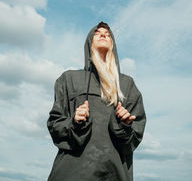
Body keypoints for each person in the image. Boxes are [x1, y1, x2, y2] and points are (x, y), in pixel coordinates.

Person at [47, 22, 146, 181]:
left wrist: (125, 124)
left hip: (114, 173)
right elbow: (55, 125)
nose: (103, 34)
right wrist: (75, 121)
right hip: (72, 172)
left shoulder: (127, 85)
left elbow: (133, 140)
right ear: (89, 42)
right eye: (97, 33)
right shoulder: (69, 79)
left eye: (107, 34)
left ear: (113, 44)